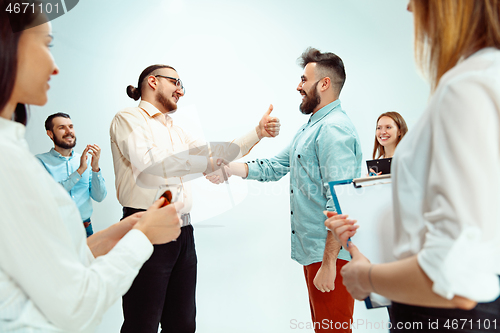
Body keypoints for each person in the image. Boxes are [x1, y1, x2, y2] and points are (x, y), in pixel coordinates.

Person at [0, 2, 182, 332]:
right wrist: (141, 237)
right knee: (143, 319)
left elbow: (61, 257)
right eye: (46, 44)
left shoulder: (14, 154)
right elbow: (77, 305)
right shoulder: (11, 163)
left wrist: (124, 229)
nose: (55, 66)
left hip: (109, 230)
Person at [326, 0, 500, 331]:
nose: (409, 8)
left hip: (444, 318)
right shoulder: (485, 78)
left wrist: (366, 277)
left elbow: (455, 277)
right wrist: (358, 241)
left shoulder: (465, 89)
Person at [109, 64, 280, 333]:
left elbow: (215, 157)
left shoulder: (178, 131)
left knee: (183, 324)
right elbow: (151, 164)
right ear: (152, 82)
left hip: (183, 233)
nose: (181, 91)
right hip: (145, 228)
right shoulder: (128, 118)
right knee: (142, 323)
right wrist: (206, 161)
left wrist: (256, 133)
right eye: (176, 82)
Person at [208, 48, 362, 332]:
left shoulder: (334, 130)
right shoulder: (311, 128)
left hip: (330, 255)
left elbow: (341, 200)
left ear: (324, 84)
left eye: (304, 80)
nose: (298, 86)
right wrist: (229, 170)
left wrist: (329, 262)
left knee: (334, 330)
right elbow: (274, 166)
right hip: (314, 252)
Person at [36, 112, 107, 237]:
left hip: (85, 230)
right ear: (50, 134)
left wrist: (95, 168)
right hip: (56, 231)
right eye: (62, 127)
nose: (69, 131)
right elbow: (49, 195)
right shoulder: (39, 162)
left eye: (71, 126)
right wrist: (79, 171)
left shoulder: (85, 160)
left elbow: (99, 197)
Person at [368, 111, 408, 175]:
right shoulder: (375, 166)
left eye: (388, 127)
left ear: (400, 131)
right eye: (379, 128)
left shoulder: (407, 160)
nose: (383, 132)